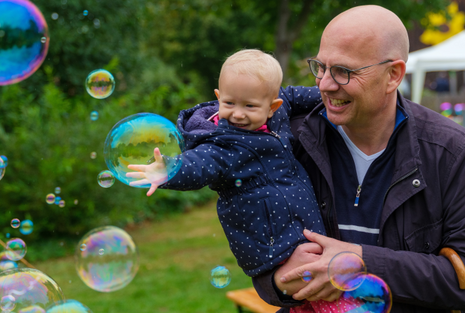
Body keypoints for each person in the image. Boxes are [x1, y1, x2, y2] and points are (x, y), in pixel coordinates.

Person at [252, 5, 465, 313]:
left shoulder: (451, 151)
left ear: (393, 75)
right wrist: (278, 282)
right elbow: (262, 257)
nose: (325, 84)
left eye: (344, 71)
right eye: (321, 66)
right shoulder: (289, 142)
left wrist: (361, 262)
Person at [126, 49, 361, 311]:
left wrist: (328, 95)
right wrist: (168, 171)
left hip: (296, 225)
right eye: (229, 103)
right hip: (270, 240)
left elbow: (293, 95)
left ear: (273, 106)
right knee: (319, 291)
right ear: (218, 98)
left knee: (320, 290)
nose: (237, 114)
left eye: (249, 106)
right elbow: (199, 164)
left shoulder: (278, 113)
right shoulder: (223, 144)